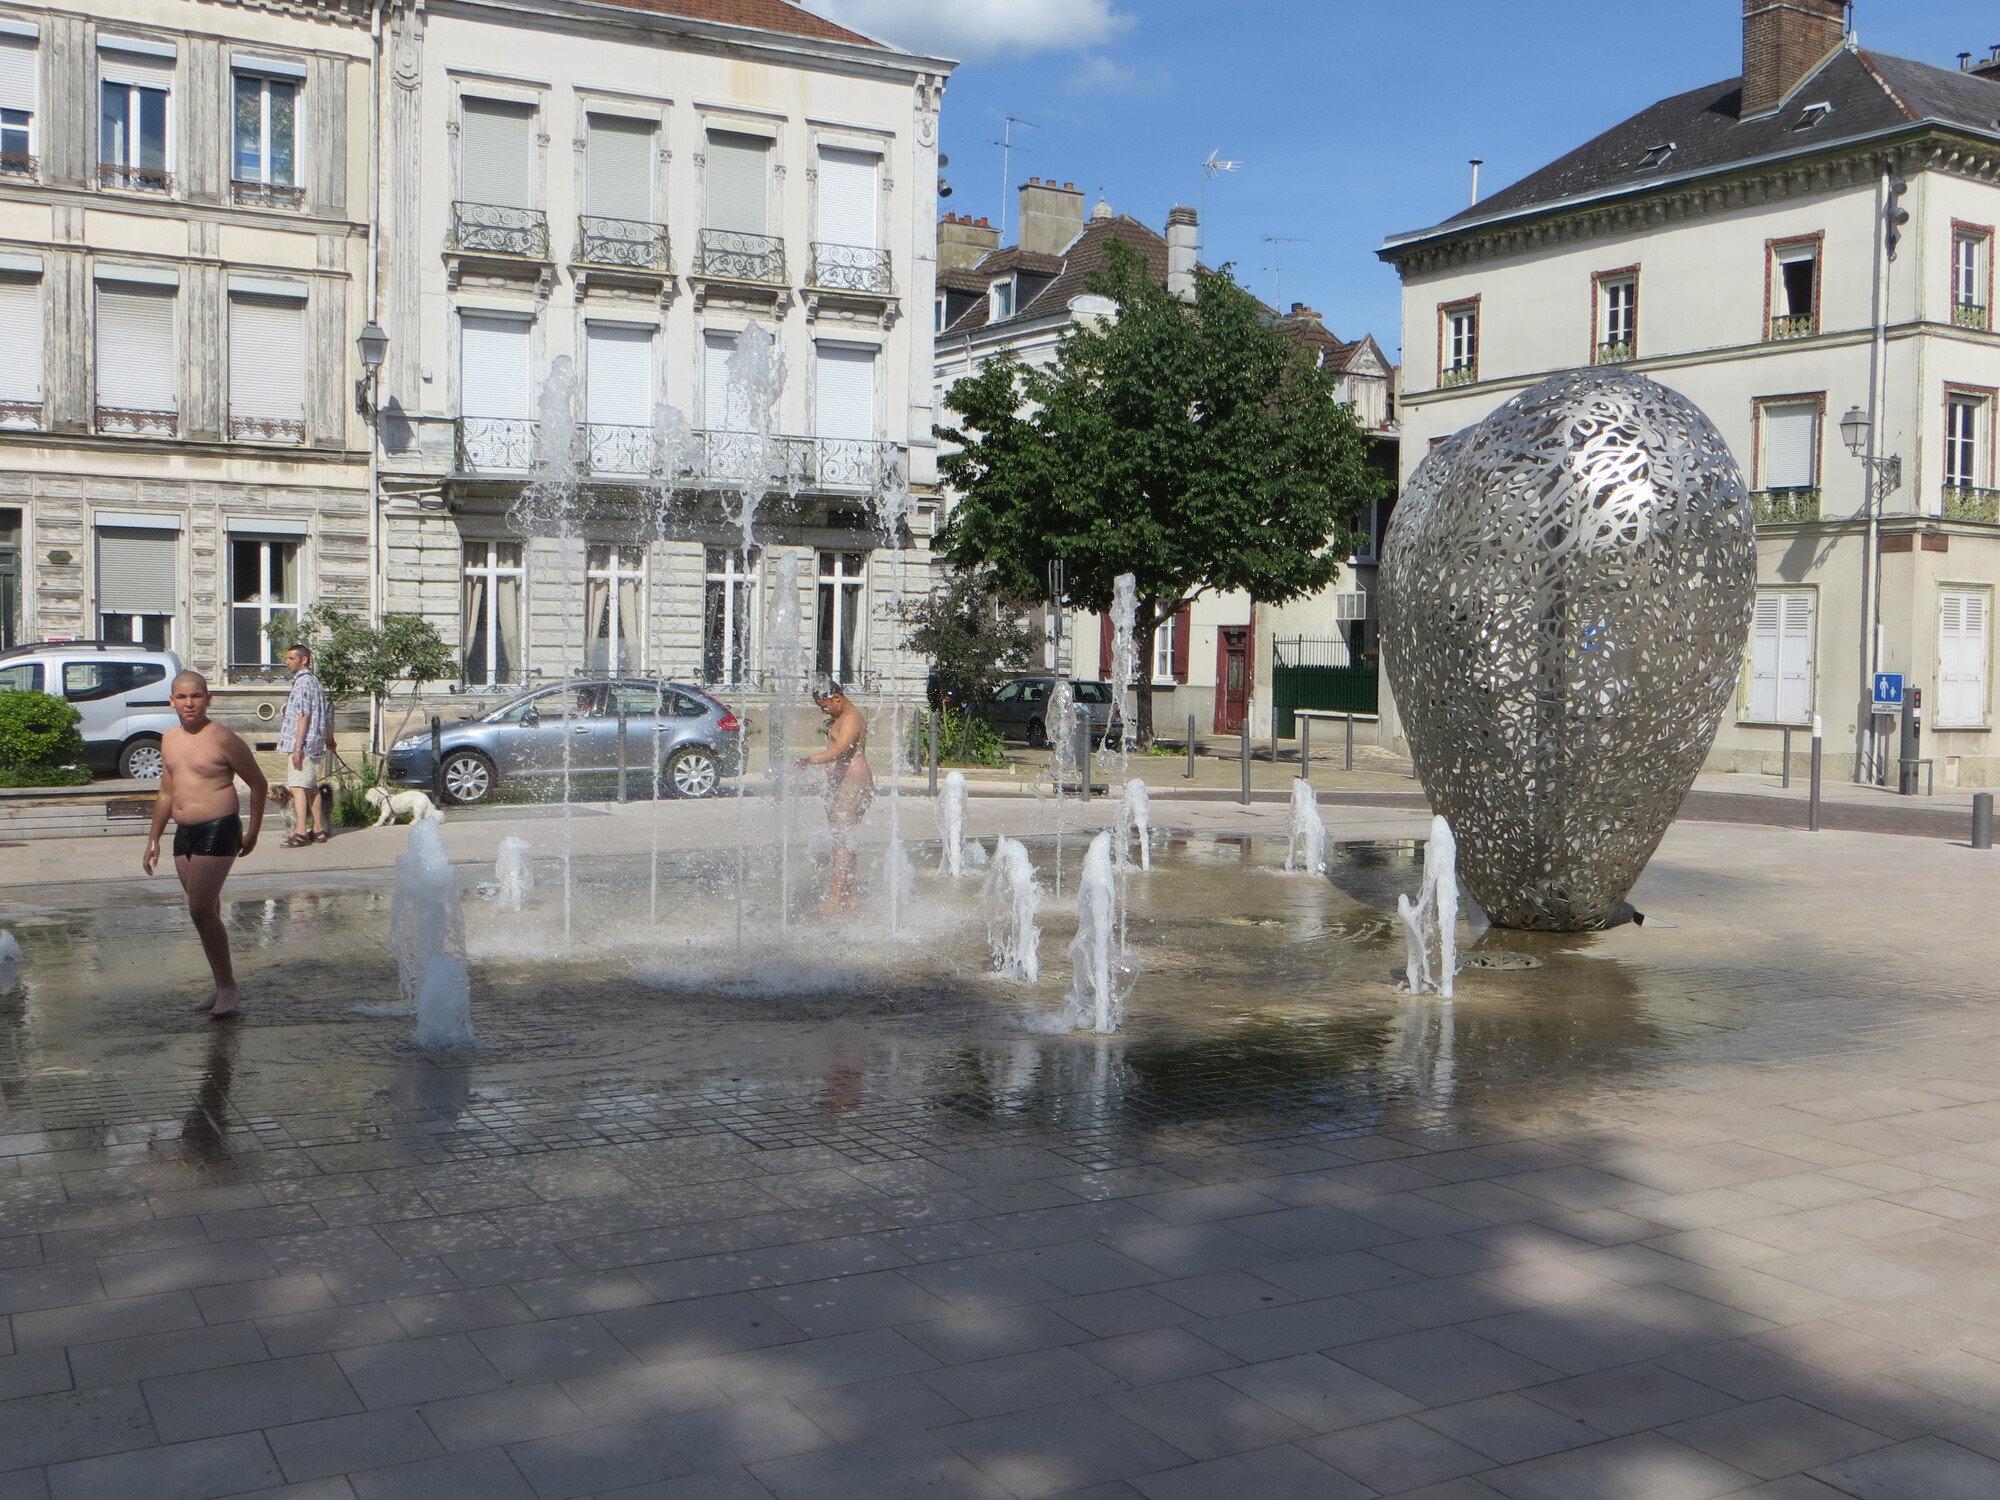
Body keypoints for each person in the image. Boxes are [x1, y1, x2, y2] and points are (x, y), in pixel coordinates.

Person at [143, 671, 267, 1018]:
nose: (189, 703)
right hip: (184, 832)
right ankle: (220, 984)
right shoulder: (169, 739)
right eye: (182, 697)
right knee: (207, 912)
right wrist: (153, 838)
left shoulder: (223, 738)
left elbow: (258, 783)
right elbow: (166, 792)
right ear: (171, 701)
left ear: (208, 699)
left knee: (199, 910)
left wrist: (253, 832)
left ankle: (228, 987)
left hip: (219, 827)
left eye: (196, 696)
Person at [796, 680, 874, 913]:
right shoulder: (843, 716)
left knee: (842, 841)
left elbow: (840, 750)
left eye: (825, 706)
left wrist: (808, 761)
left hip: (852, 784)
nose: (824, 711)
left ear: (837, 698)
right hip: (844, 784)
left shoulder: (851, 717)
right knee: (844, 840)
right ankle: (851, 895)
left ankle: (835, 898)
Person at [278, 644, 333, 847]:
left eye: (291, 658)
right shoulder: (315, 682)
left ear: (304, 660)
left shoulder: (302, 683)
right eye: (287, 658)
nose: (287, 662)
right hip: (315, 742)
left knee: (297, 786)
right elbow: (325, 716)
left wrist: (297, 747)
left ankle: (300, 831)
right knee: (311, 787)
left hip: (303, 744)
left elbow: (303, 715)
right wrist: (330, 739)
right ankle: (318, 829)